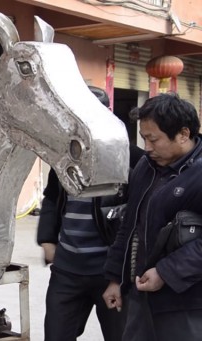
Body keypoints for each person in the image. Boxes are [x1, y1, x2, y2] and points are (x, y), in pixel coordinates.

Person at [36, 86, 144, 341]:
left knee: (120, 336)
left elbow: (136, 217)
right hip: (67, 271)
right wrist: (47, 239)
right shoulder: (64, 157)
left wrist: (122, 271)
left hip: (110, 272)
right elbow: (51, 199)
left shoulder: (131, 158)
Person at [103, 93, 202, 341]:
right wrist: (116, 278)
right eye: (144, 138)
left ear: (183, 134)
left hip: (188, 303)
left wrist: (166, 273)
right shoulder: (146, 168)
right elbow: (129, 226)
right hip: (141, 294)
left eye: (153, 139)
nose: (146, 147)